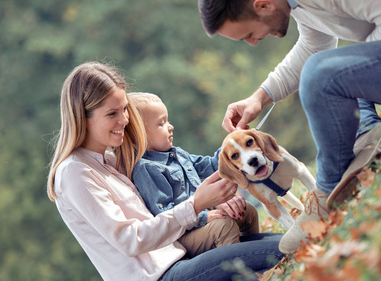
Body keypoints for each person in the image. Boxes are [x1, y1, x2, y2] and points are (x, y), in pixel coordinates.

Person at [198, 0, 381, 253]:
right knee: (332, 68)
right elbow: (314, 45)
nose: (254, 41)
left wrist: (352, 66)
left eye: (248, 33)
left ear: (263, 5)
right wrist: (259, 97)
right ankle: (369, 135)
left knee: (324, 73)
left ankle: (326, 191)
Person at [46, 62, 284, 281]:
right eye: (112, 114)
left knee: (290, 242)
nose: (126, 120)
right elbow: (131, 239)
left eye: (125, 109)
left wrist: (212, 203)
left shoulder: (111, 161)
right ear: (82, 117)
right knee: (281, 250)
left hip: (183, 257)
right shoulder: (74, 172)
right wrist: (196, 205)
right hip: (162, 275)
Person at [128, 92, 259, 258]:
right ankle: (242, 272)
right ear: (140, 135)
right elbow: (163, 214)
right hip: (184, 236)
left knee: (248, 211)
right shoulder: (146, 169)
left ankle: (258, 256)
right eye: (161, 124)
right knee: (224, 227)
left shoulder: (178, 154)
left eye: (167, 120)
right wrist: (204, 216)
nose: (170, 126)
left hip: (208, 216)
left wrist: (234, 140)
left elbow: (212, 165)